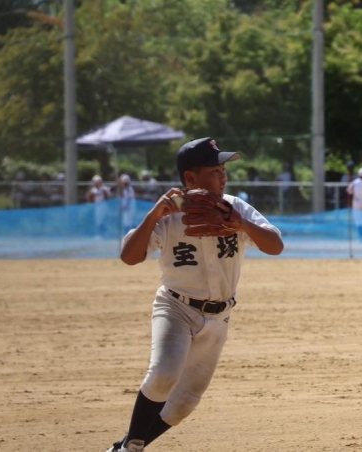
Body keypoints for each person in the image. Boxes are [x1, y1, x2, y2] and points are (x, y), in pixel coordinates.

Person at [105, 137, 283, 452]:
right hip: (176, 308)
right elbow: (129, 256)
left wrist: (241, 224)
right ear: (190, 177)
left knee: (183, 404)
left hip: (220, 317)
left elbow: (275, 245)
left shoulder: (235, 207)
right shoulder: (168, 215)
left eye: (223, 170)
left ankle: (124, 447)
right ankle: (130, 447)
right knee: (163, 375)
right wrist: (154, 215)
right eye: (214, 171)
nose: (223, 176)